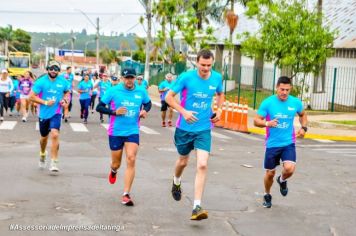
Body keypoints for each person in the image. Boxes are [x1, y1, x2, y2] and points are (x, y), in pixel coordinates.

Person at [165, 49, 225, 220]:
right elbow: (169, 97)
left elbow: (221, 94)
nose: (205, 68)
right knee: (183, 161)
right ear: (197, 62)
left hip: (204, 128)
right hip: (184, 128)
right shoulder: (186, 77)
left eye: (208, 65)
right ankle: (176, 181)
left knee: (203, 165)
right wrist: (183, 112)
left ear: (212, 63)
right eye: (202, 65)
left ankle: (196, 206)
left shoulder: (217, 78)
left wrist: (219, 110)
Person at [96, 67, 152, 206]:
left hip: (133, 130)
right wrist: (114, 112)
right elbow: (99, 107)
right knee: (116, 163)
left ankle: (126, 194)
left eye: (131, 77)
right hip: (115, 131)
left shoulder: (141, 90)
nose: (129, 80)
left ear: (135, 78)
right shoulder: (113, 91)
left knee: (131, 158)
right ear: (122, 78)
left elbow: (148, 103)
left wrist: (144, 110)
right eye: (126, 78)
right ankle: (113, 170)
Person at [254, 76, 308, 208]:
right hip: (272, 144)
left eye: (287, 90)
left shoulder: (295, 102)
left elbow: (303, 115)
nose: (284, 92)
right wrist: (267, 123)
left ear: (291, 89)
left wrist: (304, 127)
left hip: (288, 142)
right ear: (277, 88)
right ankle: (267, 194)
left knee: (289, 169)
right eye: (282, 89)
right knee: (270, 173)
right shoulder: (268, 103)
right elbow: (256, 121)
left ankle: (282, 180)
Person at [29, 61, 70, 172]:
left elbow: (67, 93)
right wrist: (45, 102)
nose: (53, 71)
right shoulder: (41, 82)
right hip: (43, 113)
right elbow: (31, 97)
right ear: (47, 69)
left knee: (55, 134)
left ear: (59, 70)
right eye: (51, 68)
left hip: (56, 112)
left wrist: (65, 100)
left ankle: (54, 162)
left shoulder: (63, 81)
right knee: (43, 139)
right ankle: (42, 153)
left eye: (56, 69)